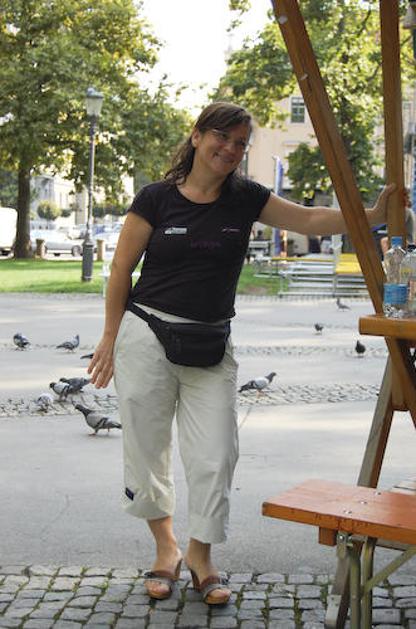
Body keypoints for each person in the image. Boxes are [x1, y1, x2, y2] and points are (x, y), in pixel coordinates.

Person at [88, 101, 395, 606]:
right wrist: (109, 336)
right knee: (145, 449)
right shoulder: (156, 198)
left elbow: (311, 219)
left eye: (239, 143)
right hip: (146, 335)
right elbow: (121, 269)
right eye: (221, 137)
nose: (229, 149)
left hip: (211, 342)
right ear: (197, 136)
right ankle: (166, 548)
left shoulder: (246, 197)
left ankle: (201, 554)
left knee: (216, 453)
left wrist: (373, 215)